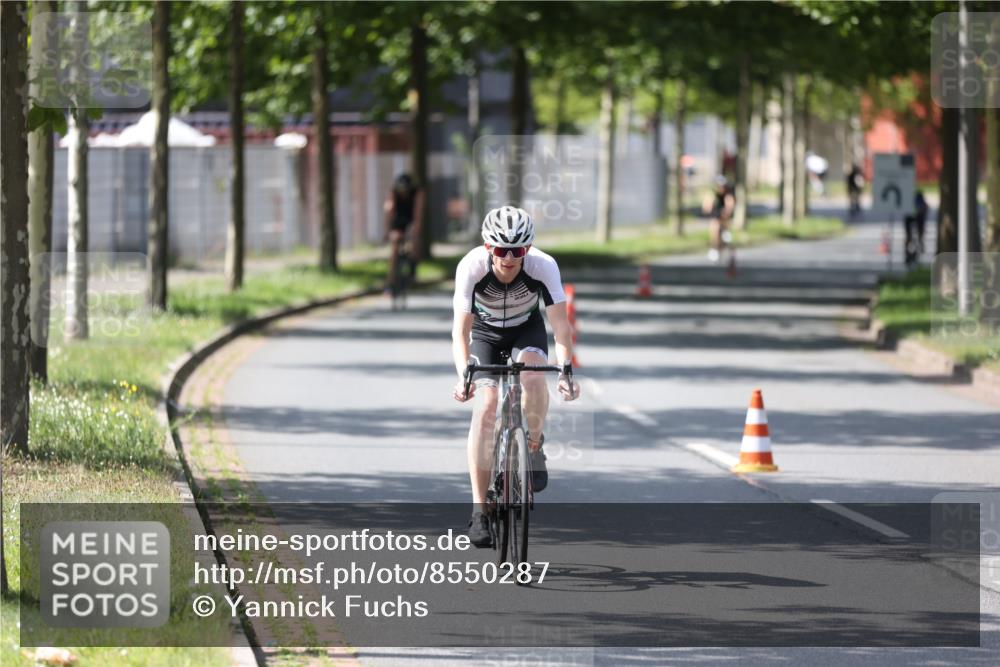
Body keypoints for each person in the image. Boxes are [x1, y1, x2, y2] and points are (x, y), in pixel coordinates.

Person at [451, 205, 580, 547]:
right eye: (502, 250)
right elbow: (459, 333)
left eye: (518, 251)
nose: (509, 258)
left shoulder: (543, 266)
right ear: (488, 247)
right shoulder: (472, 267)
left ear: (528, 250)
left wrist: (566, 370)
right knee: (486, 406)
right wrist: (465, 375)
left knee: (535, 378)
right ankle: (479, 509)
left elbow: (560, 326)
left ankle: (534, 446)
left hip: (527, 330)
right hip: (485, 336)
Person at [383, 173, 424, 291]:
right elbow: (389, 211)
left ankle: (412, 267)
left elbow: (418, 214)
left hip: (411, 219)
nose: (403, 193)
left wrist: (415, 228)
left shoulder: (418, 192)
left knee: (414, 238)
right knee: (395, 246)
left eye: (405, 190)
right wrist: (388, 231)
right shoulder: (393, 193)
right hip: (399, 220)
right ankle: (390, 282)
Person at [705, 175, 735, 263]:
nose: (721, 188)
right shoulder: (712, 193)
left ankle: (726, 234)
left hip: (724, 215)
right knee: (714, 228)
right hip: (715, 214)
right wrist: (709, 206)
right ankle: (714, 247)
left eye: (723, 186)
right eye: (719, 186)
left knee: (724, 223)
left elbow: (730, 205)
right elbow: (706, 206)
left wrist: (726, 211)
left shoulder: (728, 194)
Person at [904, 190, 929, 267]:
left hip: (917, 218)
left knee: (911, 237)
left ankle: (915, 247)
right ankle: (916, 246)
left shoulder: (920, 205)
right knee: (912, 236)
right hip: (915, 218)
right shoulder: (922, 205)